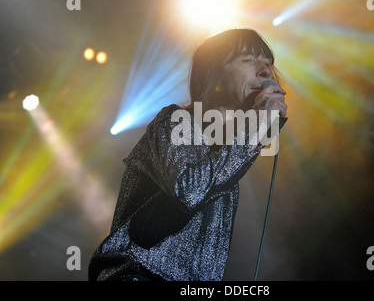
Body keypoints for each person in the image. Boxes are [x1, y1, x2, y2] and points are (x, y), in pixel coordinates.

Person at [88, 28, 288, 281]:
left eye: (268, 63)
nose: (265, 71)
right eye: (248, 60)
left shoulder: (228, 153)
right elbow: (189, 190)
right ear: (212, 73)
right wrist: (259, 126)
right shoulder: (175, 121)